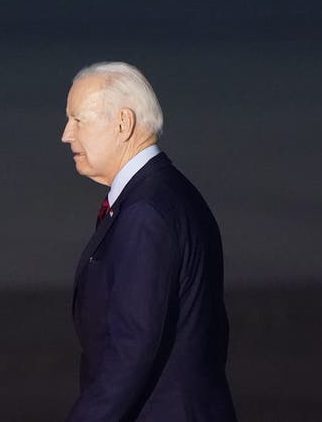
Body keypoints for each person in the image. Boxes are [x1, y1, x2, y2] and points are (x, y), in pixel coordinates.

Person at [61, 62, 237, 421]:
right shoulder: (169, 191)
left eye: (78, 120)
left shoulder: (146, 212)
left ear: (123, 124)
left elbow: (131, 348)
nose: (66, 134)